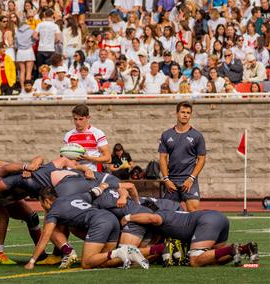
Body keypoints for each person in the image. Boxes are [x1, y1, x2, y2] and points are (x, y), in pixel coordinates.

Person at [24, 185, 148, 270]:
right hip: (111, 219)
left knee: (86, 263)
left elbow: (45, 237)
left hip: (99, 223)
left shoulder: (53, 212)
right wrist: (103, 186)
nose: (41, 205)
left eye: (40, 202)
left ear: (46, 201)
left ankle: (121, 251)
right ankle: (154, 250)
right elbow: (94, 192)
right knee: (104, 262)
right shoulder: (72, 197)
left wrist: (32, 261)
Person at [121, 209, 259, 267]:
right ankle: (244, 248)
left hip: (207, 221)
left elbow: (152, 218)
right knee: (215, 259)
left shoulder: (160, 215)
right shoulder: (171, 216)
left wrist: (128, 217)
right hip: (220, 218)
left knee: (194, 260)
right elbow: (153, 245)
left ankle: (233, 248)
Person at [158, 101, 206, 212]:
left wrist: (191, 178)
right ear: (177, 114)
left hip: (189, 180)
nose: (185, 115)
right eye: (182, 112)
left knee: (193, 209)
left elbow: (201, 159)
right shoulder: (166, 135)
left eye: (188, 113)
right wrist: (166, 179)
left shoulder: (197, 136)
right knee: (167, 214)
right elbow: (162, 158)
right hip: (172, 181)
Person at [64, 104, 111, 172]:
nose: (77, 122)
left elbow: (108, 158)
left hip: (93, 173)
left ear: (88, 117)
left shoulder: (97, 133)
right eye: (75, 119)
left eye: (81, 119)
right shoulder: (68, 135)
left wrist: (89, 158)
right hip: (73, 174)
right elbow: (64, 158)